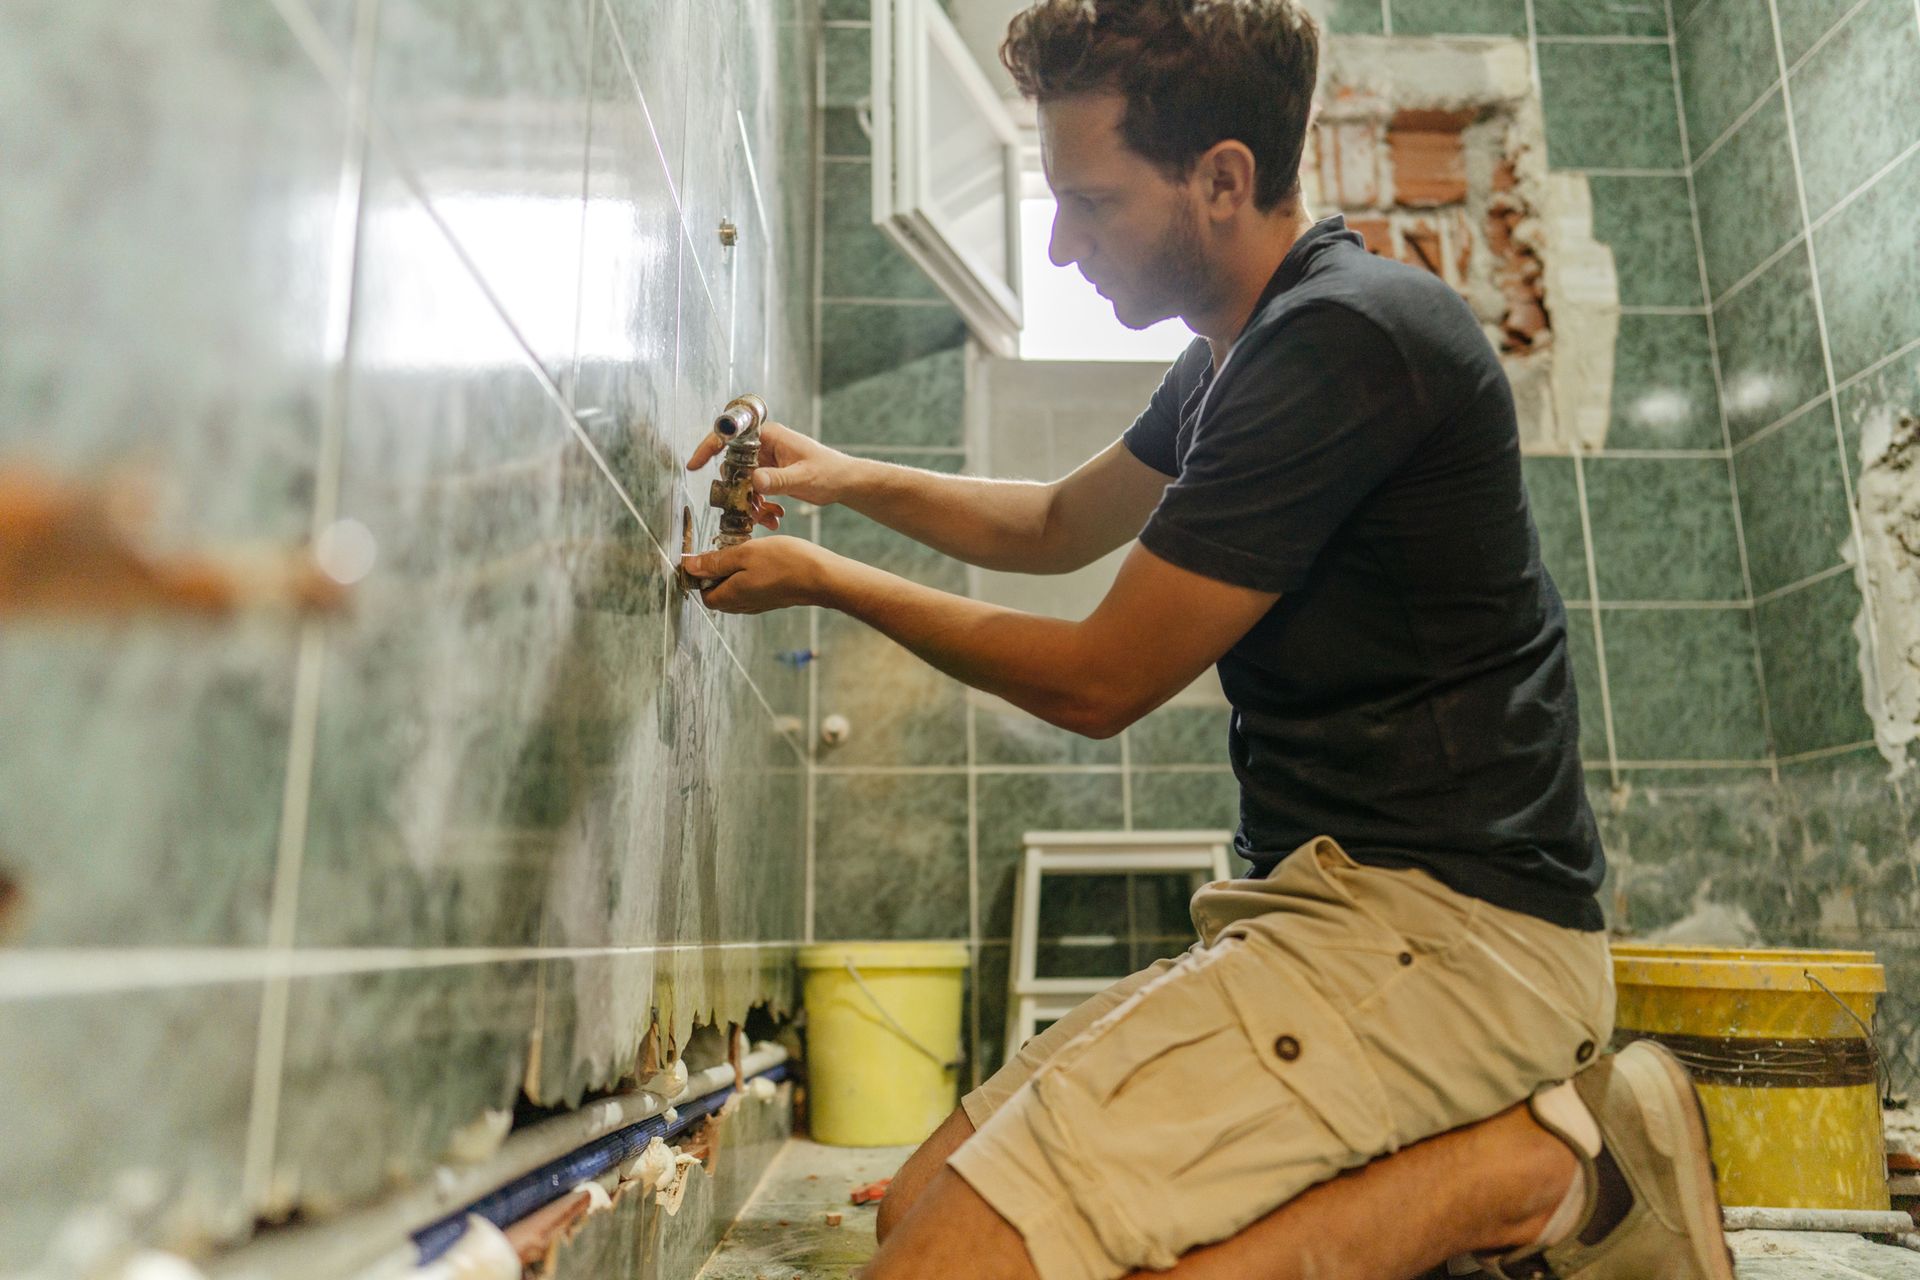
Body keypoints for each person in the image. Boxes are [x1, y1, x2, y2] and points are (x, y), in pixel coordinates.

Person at [683, 3, 1732, 1276]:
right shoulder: (1235, 351)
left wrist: (826, 578)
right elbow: (1061, 523)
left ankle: (1539, 1175)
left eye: (1090, 200)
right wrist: (842, 476)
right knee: (919, 1206)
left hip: (1464, 940)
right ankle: (1505, 1171)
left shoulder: (1345, 339)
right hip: (1322, 910)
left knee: (949, 1269)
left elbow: (1097, 680)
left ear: (1222, 180)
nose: (1063, 244)